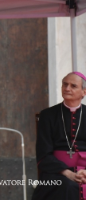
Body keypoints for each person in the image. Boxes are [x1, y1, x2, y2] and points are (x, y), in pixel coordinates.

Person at [32, 72, 86, 200]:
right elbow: (43, 154)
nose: (67, 88)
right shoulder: (48, 115)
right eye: (65, 84)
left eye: (73, 86)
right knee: (67, 185)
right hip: (56, 172)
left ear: (84, 92)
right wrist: (67, 173)